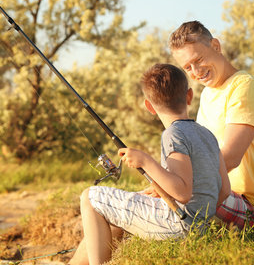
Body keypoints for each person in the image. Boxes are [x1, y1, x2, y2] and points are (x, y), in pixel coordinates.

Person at [70, 63, 230, 265]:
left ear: (149, 107)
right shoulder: (207, 135)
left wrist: (146, 161)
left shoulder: (173, 134)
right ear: (189, 96)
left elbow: (183, 192)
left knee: (90, 197)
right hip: (200, 226)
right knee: (133, 197)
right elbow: (224, 190)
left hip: (176, 226)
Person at [169, 20, 254, 230]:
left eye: (198, 59)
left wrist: (179, 185)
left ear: (216, 46)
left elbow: (231, 157)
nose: (196, 71)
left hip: (247, 207)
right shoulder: (208, 94)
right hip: (209, 193)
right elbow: (197, 156)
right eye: (187, 67)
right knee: (124, 206)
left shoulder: (246, 86)